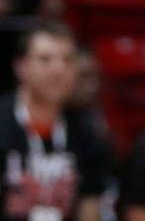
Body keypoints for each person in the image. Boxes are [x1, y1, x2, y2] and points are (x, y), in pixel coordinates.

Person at [0, 21, 111, 221]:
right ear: (21, 67)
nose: (58, 69)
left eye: (67, 60)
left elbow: (90, 209)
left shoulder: (89, 134)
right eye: (45, 59)